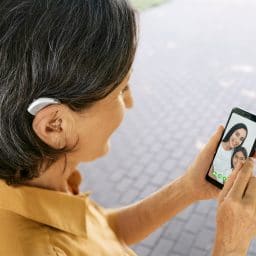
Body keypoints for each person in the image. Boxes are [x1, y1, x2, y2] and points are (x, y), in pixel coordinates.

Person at [0, 1, 255, 255]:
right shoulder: (37, 248)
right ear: (55, 126)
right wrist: (231, 245)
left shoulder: (41, 183)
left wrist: (188, 187)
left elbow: (108, 233)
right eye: (122, 90)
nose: (131, 102)